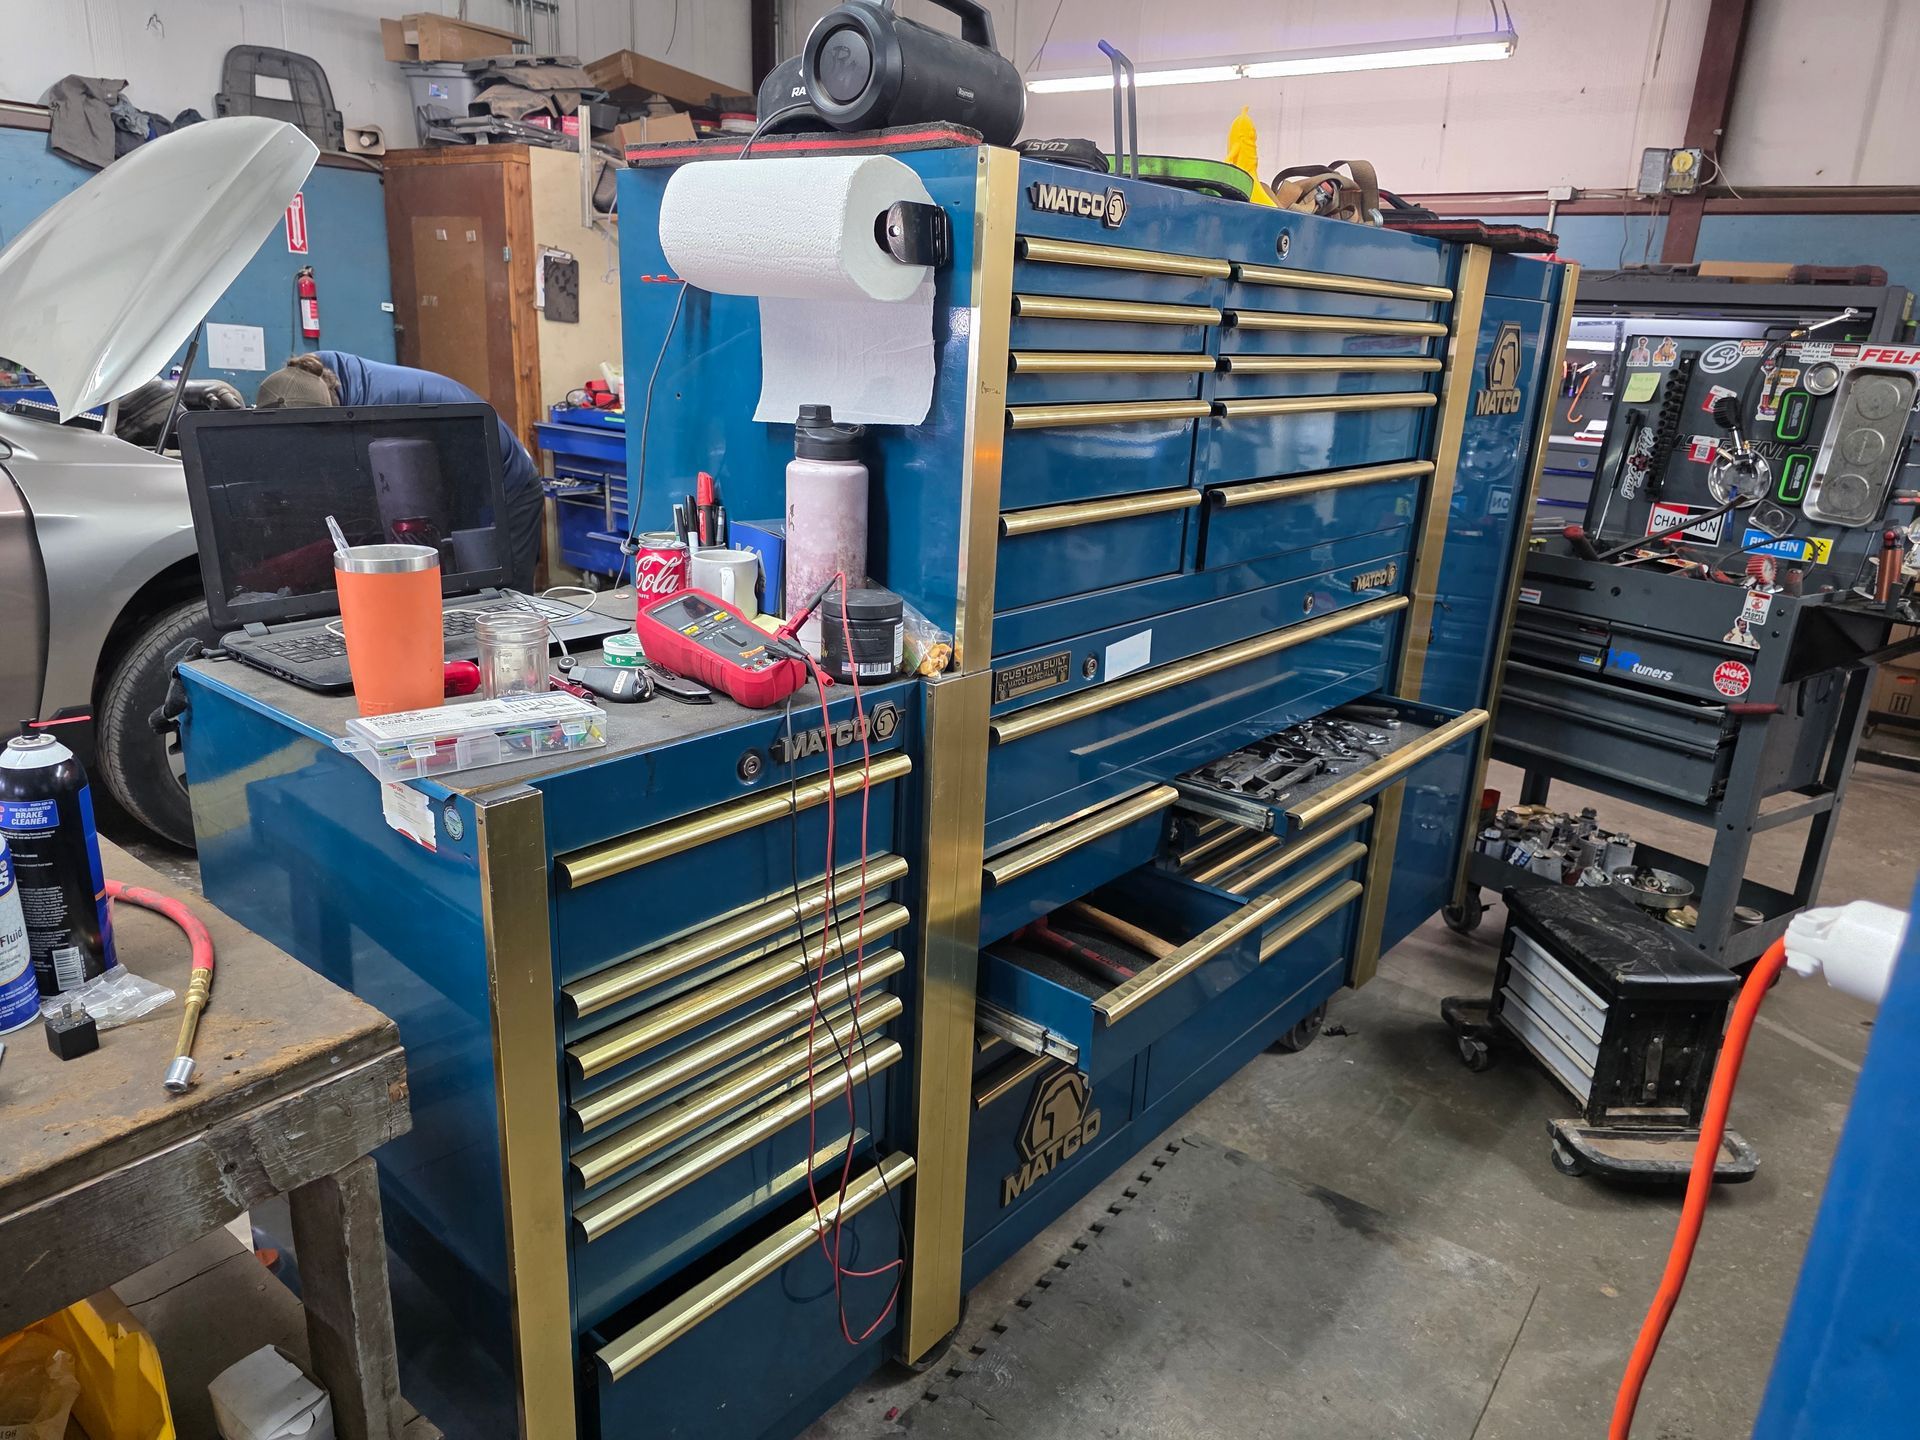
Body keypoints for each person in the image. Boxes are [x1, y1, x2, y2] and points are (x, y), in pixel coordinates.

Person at [255, 352, 541, 591]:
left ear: (330, 406)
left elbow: (420, 490)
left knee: (503, 597)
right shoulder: (311, 378)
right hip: (461, 471)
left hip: (506, 483)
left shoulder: (382, 407)